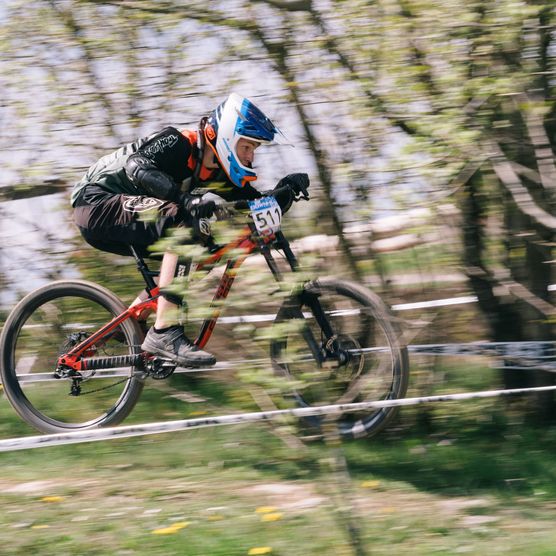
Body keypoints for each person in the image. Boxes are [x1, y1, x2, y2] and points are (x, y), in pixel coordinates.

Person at [71, 93, 309, 368]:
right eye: (247, 147)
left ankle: (126, 326)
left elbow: (254, 205)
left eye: (254, 149)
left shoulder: (218, 171)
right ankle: (163, 332)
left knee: (207, 248)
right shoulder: (180, 142)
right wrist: (185, 200)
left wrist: (285, 191)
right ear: (229, 137)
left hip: (123, 213)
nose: (251, 156)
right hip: (96, 203)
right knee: (184, 221)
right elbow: (136, 166)